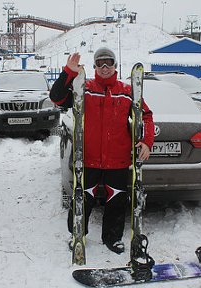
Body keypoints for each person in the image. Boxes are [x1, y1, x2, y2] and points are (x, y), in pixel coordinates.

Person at [50, 47, 155, 254]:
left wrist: (146, 141)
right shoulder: (84, 89)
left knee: (116, 201)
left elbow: (147, 116)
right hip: (87, 158)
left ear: (115, 65)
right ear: (95, 66)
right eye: (100, 63)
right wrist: (69, 73)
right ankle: (78, 234)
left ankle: (112, 238)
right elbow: (57, 98)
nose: (105, 67)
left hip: (117, 159)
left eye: (109, 62)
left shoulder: (127, 91)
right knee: (82, 198)